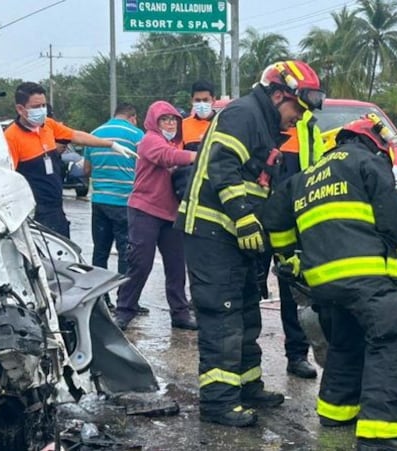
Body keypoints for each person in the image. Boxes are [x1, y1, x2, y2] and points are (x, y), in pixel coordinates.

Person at [259, 115, 397, 451]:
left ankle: (336, 411)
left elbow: (274, 217)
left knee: (346, 341)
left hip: (322, 283)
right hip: (362, 275)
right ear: (374, 143)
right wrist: (395, 250)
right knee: (392, 337)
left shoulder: (308, 174)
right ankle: (381, 434)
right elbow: (394, 216)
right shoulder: (367, 162)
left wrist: (290, 260)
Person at [176, 60, 326, 428]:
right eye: (297, 108)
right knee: (223, 315)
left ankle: (246, 386)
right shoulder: (244, 114)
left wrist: (278, 244)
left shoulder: (266, 123)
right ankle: (218, 402)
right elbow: (222, 167)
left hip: (234, 237)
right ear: (278, 95)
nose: (298, 119)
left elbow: (261, 189)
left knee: (245, 312)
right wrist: (243, 218)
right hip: (212, 232)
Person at [4, 82, 136, 237]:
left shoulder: (48, 126)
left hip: (55, 208)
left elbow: (76, 135)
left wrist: (110, 144)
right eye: (36, 107)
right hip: (33, 213)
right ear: (20, 109)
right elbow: (7, 179)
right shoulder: (11, 137)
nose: (41, 110)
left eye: (43, 105)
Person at [114, 100, 198, 331]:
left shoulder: (174, 143)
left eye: (173, 120)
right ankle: (124, 310)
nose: (170, 123)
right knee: (140, 263)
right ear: (153, 121)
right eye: (165, 119)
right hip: (145, 210)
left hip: (171, 214)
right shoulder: (150, 140)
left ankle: (180, 313)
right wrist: (196, 157)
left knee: (176, 266)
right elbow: (166, 157)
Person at [268, 109, 325, 379]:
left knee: (293, 289)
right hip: (253, 213)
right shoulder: (257, 122)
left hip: (292, 220)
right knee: (243, 291)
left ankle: (297, 354)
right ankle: (242, 363)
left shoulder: (310, 128)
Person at [83, 103, 144, 277]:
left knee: (100, 252)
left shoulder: (94, 134)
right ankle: (124, 298)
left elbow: (86, 170)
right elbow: (144, 167)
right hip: (124, 202)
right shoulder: (137, 135)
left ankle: (100, 299)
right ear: (133, 118)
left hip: (99, 201)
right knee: (125, 252)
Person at [182, 80, 217, 151]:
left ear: (213, 100)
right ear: (192, 101)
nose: (202, 104)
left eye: (205, 100)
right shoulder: (183, 125)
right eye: (198, 100)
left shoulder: (223, 123)